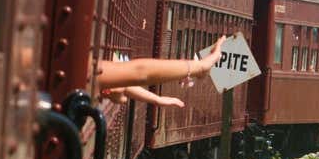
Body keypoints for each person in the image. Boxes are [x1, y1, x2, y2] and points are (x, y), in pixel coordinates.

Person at [97, 35, 226, 105]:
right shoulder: (91, 72)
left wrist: (157, 99)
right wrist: (200, 67)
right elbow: (140, 73)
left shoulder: (94, 72)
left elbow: (135, 75)